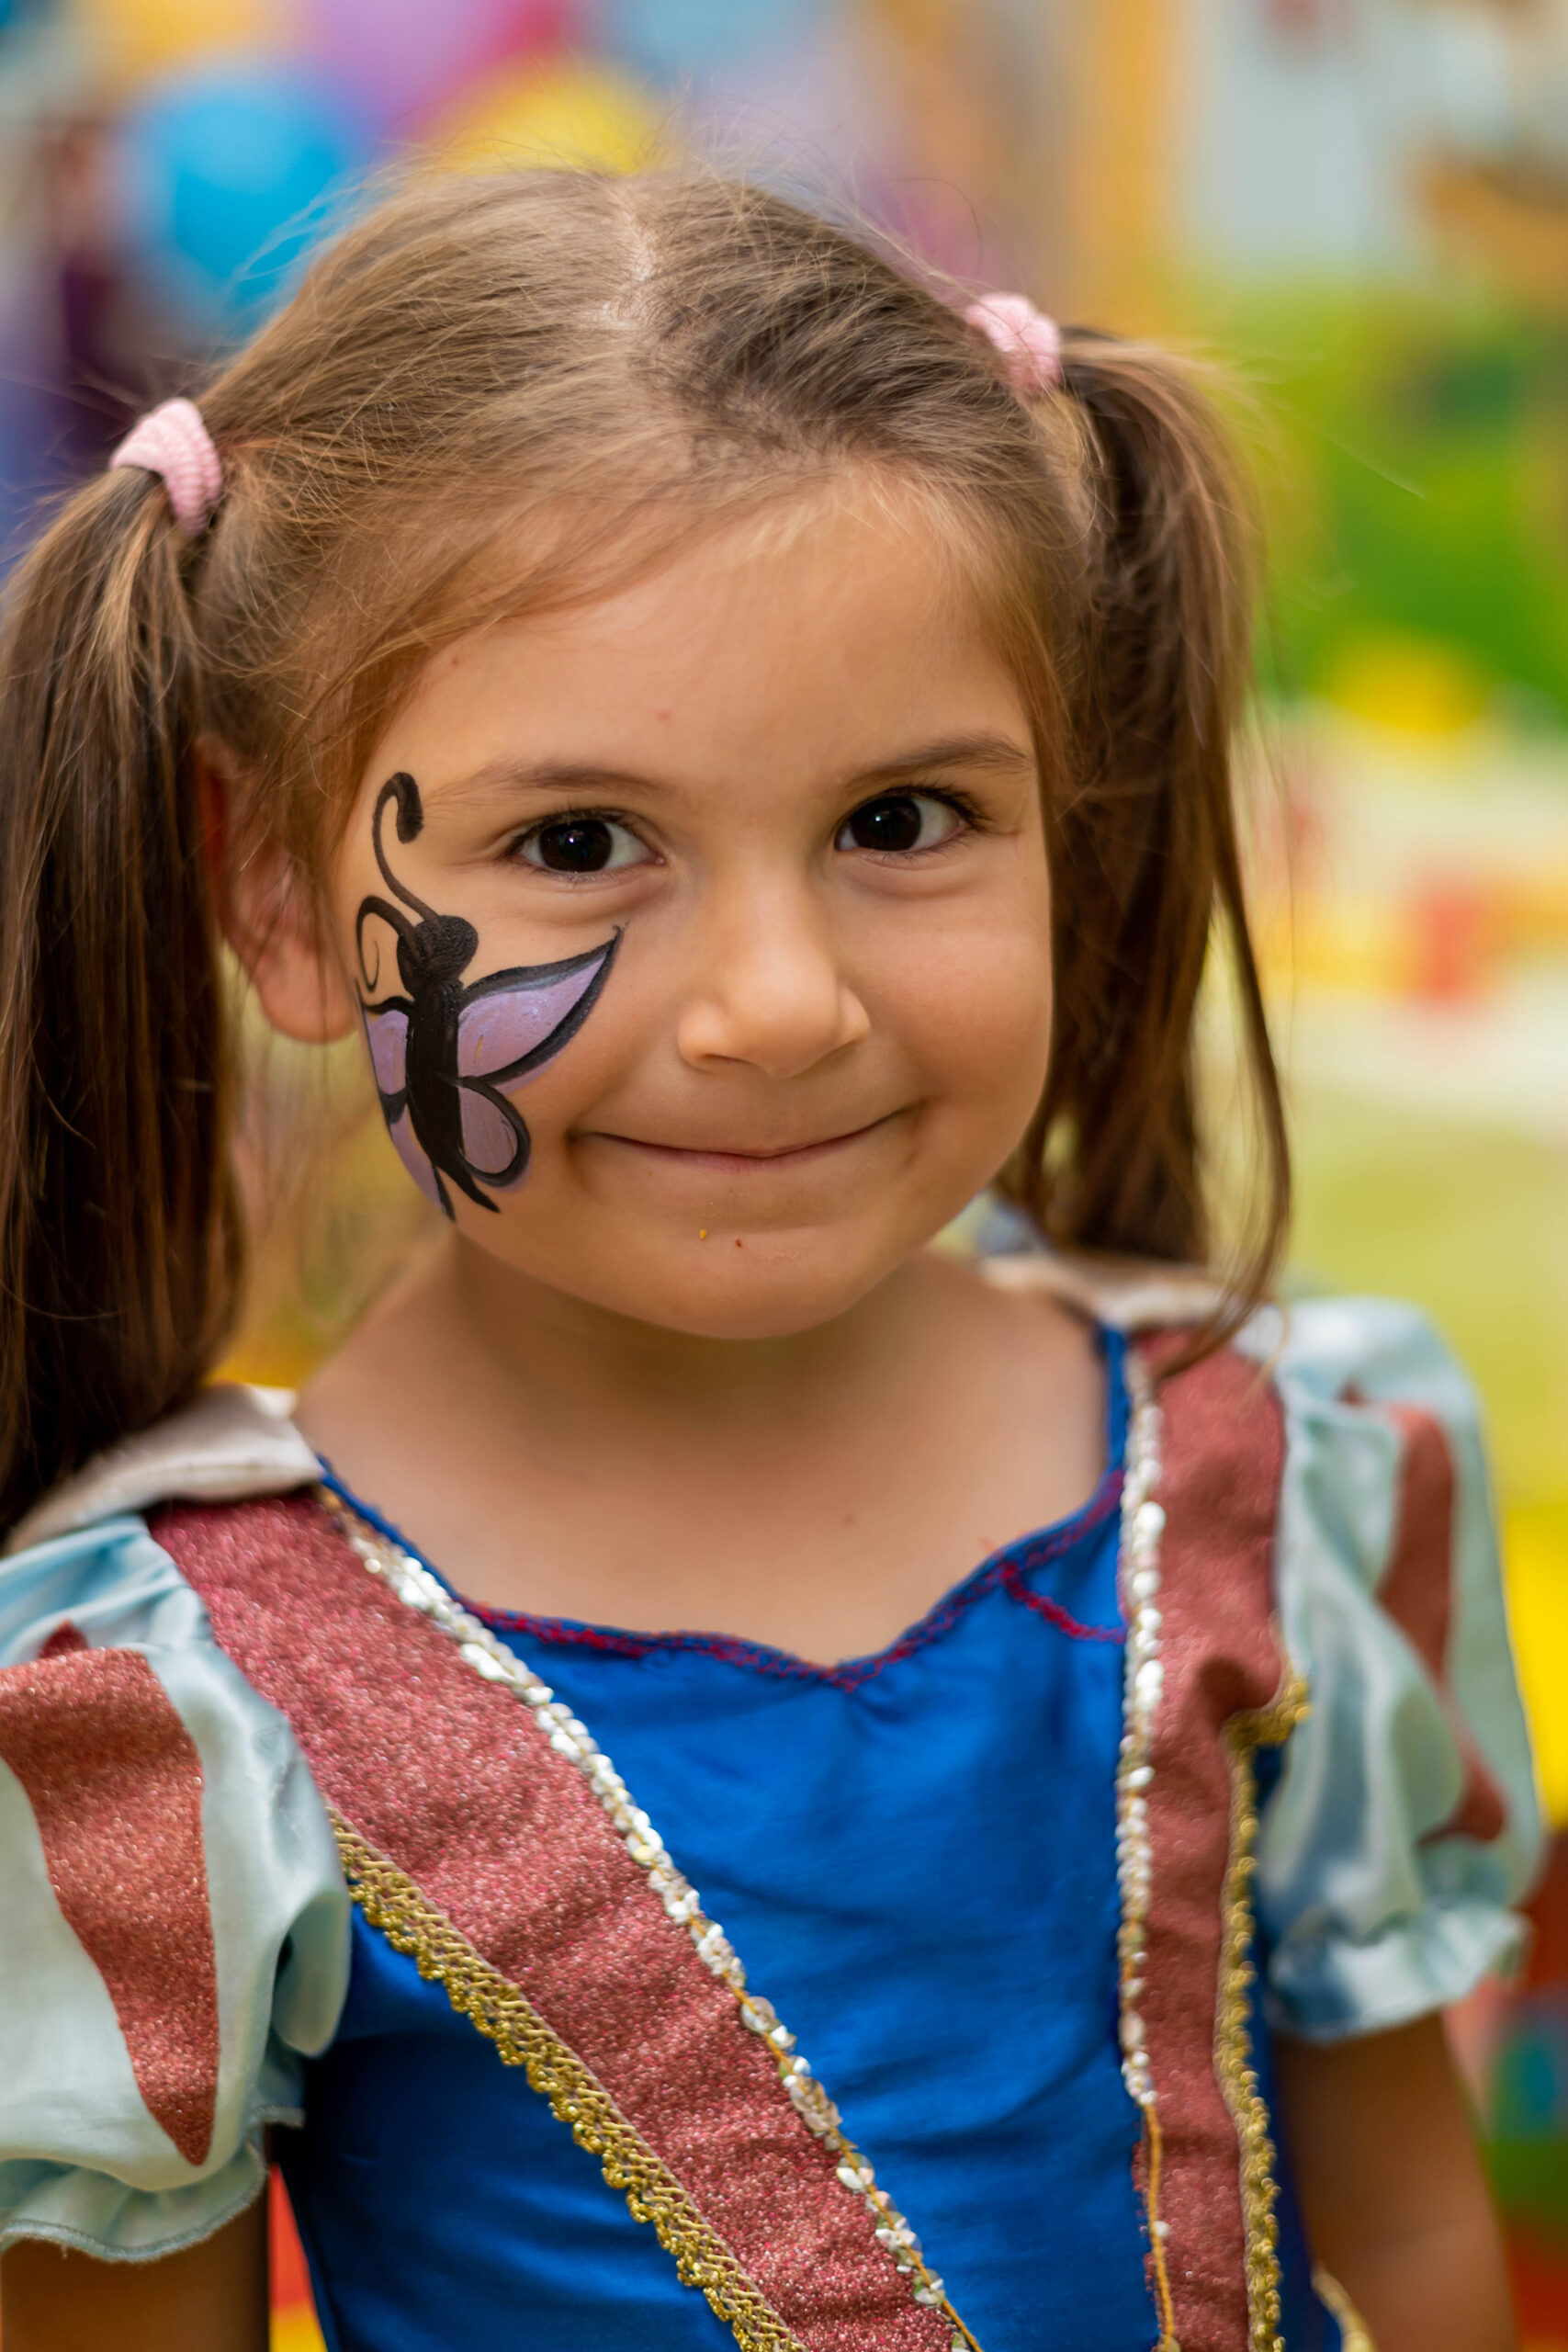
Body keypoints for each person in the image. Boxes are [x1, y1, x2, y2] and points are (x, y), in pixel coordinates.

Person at [0, 171, 1536, 2352]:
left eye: (899, 819)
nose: (778, 1003)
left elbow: (1414, 2243)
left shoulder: (1267, 1472)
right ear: (269, 892)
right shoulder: (165, 1705)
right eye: (575, 842)